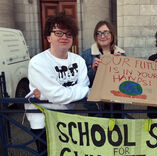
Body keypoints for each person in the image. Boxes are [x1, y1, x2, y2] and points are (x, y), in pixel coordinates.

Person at [24, 13, 90, 155]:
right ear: (49, 37)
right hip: (43, 122)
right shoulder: (38, 62)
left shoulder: (79, 61)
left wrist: (55, 94)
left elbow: (83, 85)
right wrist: (80, 91)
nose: (64, 37)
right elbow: (57, 95)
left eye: (68, 34)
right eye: (58, 33)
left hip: (68, 119)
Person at [81, 20, 125, 118]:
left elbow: (125, 82)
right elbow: (83, 82)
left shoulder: (121, 55)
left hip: (115, 103)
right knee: (97, 132)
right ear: (95, 36)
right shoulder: (87, 55)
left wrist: (121, 67)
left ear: (112, 35)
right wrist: (93, 70)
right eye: (99, 33)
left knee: (116, 131)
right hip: (95, 105)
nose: (102, 36)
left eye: (106, 32)